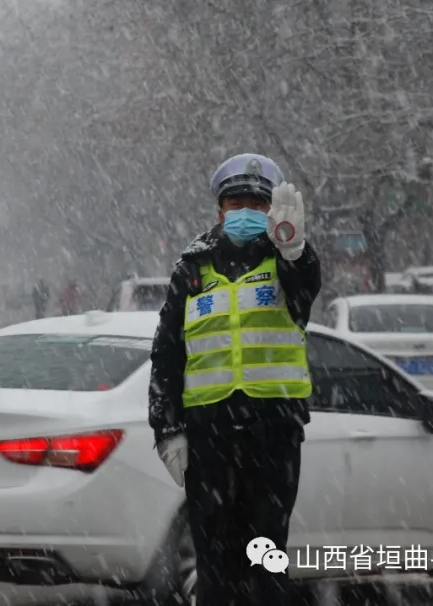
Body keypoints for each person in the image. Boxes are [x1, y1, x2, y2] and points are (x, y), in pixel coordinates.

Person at [149, 153, 320, 606]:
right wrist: (167, 429)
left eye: (256, 203)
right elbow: (167, 355)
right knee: (215, 565)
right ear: (219, 209)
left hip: (274, 434)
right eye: (235, 202)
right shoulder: (192, 268)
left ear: (272, 210)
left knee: (266, 559)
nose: (245, 211)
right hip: (209, 438)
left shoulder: (285, 258)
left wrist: (294, 250)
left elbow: (304, 288)